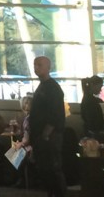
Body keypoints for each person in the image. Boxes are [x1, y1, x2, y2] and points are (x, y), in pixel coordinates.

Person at [30, 56, 66, 197]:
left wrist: (46, 135)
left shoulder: (52, 88)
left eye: (39, 65)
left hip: (50, 136)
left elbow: (55, 113)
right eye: (35, 64)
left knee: (53, 169)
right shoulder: (43, 86)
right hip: (42, 135)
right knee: (46, 169)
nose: (36, 67)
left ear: (48, 67)